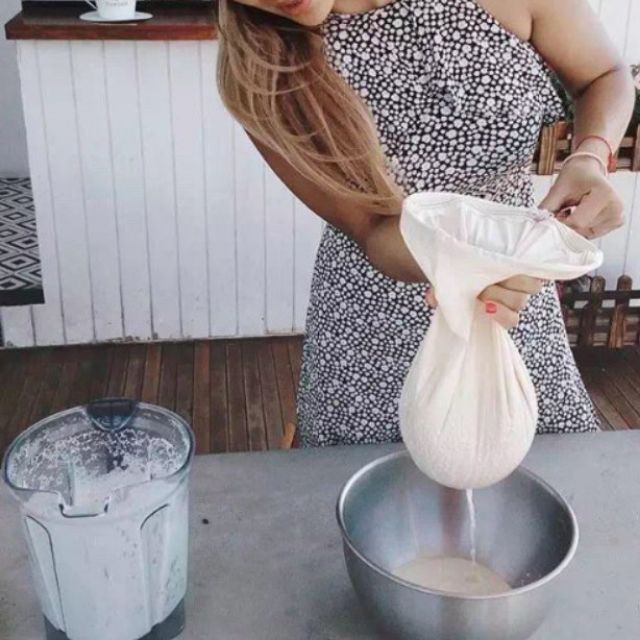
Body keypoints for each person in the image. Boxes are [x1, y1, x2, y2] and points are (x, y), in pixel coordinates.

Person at [214, 0, 635, 445]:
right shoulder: (259, 68)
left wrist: (590, 157)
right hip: (374, 322)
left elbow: (604, 74)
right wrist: (465, 266)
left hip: (514, 304)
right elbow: (370, 228)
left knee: (540, 460)